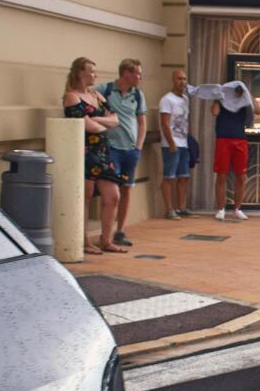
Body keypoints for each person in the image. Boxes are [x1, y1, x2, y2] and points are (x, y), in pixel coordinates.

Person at [62, 57, 127, 254]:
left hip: (102, 151)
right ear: (80, 73)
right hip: (84, 151)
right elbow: (87, 126)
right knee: (86, 197)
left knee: (113, 196)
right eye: (91, 71)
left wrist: (96, 119)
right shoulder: (72, 97)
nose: (94, 75)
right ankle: (83, 241)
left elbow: (115, 120)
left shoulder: (97, 96)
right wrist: (99, 123)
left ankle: (106, 240)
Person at [99, 59, 147, 246]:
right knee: (112, 193)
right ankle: (106, 234)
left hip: (130, 149)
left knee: (126, 188)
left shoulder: (138, 95)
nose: (140, 77)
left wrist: (139, 147)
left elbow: (142, 122)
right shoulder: (106, 90)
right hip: (111, 149)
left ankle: (120, 230)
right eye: (137, 73)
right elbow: (89, 100)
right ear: (126, 73)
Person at [212, 82, 255, 221]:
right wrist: (218, 98)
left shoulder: (244, 101)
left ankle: (237, 208)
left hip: (240, 139)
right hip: (223, 138)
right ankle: (220, 208)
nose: (236, 93)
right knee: (221, 175)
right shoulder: (222, 99)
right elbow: (214, 112)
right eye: (234, 90)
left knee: (241, 176)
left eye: (239, 90)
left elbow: (258, 110)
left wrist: (248, 94)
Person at [158, 69, 192, 220]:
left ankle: (181, 207)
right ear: (173, 80)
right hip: (171, 143)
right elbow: (165, 123)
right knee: (169, 177)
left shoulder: (185, 99)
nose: (182, 82)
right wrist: (171, 142)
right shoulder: (167, 100)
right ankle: (169, 209)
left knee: (184, 176)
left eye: (184, 79)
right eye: (179, 79)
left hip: (184, 142)